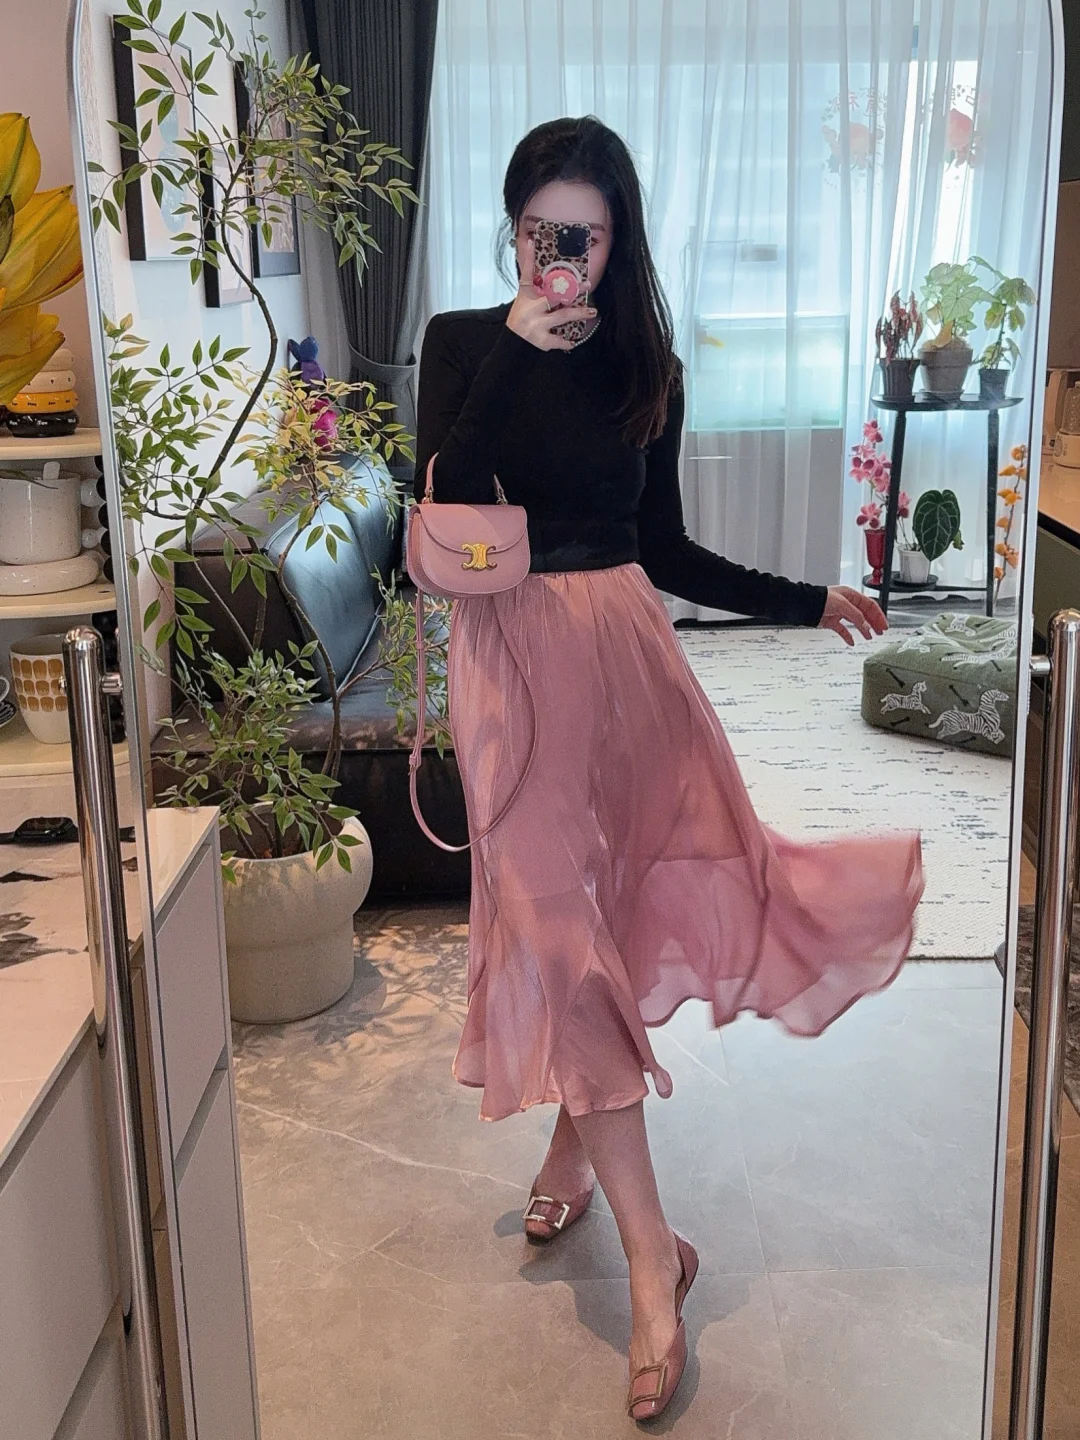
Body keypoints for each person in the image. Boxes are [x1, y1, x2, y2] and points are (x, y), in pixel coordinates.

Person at [413, 115, 924, 1423]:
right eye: (543, 231)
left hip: (627, 659)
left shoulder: (650, 368)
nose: (563, 257)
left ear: (618, 240)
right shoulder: (465, 344)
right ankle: (656, 1260)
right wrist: (516, 347)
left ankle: (571, 1150)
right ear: (513, 228)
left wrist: (804, 598)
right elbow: (445, 495)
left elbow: (668, 549)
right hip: (508, 668)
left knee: (624, 912)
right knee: (553, 927)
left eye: (586, 237)